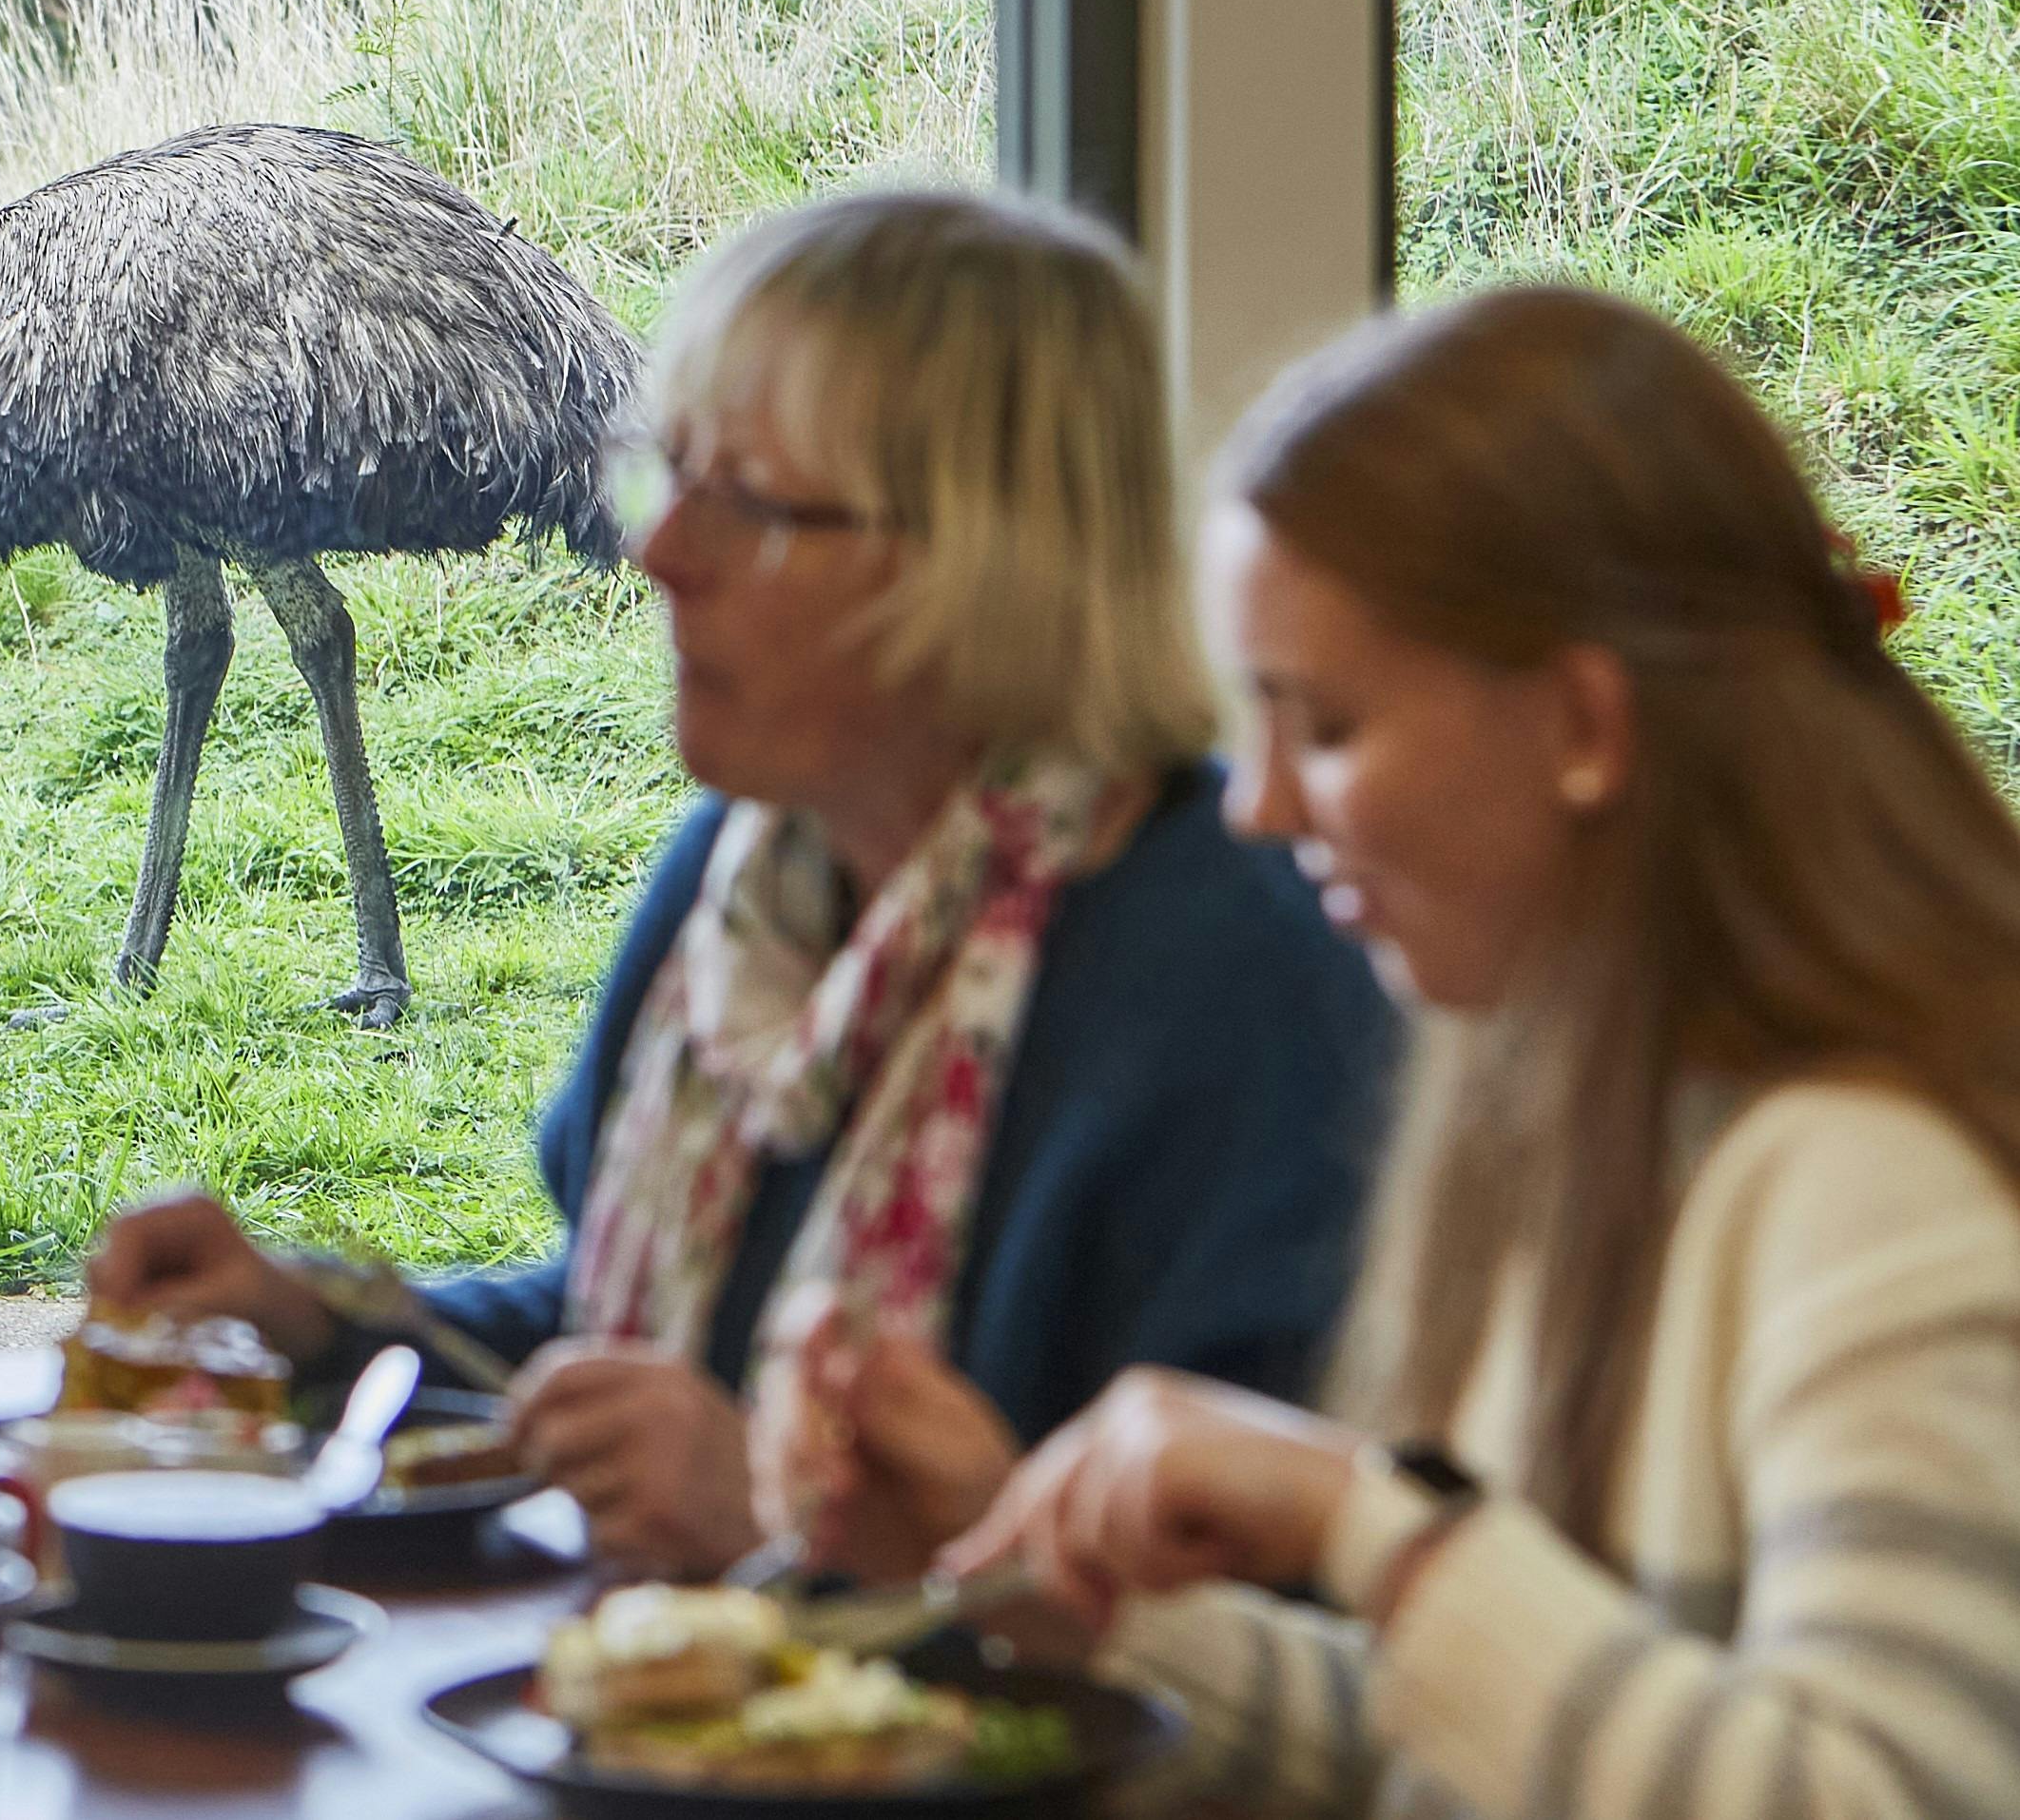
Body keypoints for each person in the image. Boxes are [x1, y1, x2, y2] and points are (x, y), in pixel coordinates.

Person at [87, 186, 1396, 1576]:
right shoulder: (744, 869)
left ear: (984, 562)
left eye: (750, 503)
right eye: (670, 472)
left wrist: (790, 1537)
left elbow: (1264, 1660)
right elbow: (620, 1343)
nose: (661, 550)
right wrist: (316, 1324)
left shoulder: (1237, 992)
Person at [836, 287, 2020, 1820]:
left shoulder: (1871, 1180)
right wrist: (1060, 1600)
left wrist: (1369, 1528)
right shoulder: (1564, 1113)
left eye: (1320, 727)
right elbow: (1486, 1752)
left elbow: (1887, 1797)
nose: (1257, 807)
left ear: (1587, 726)